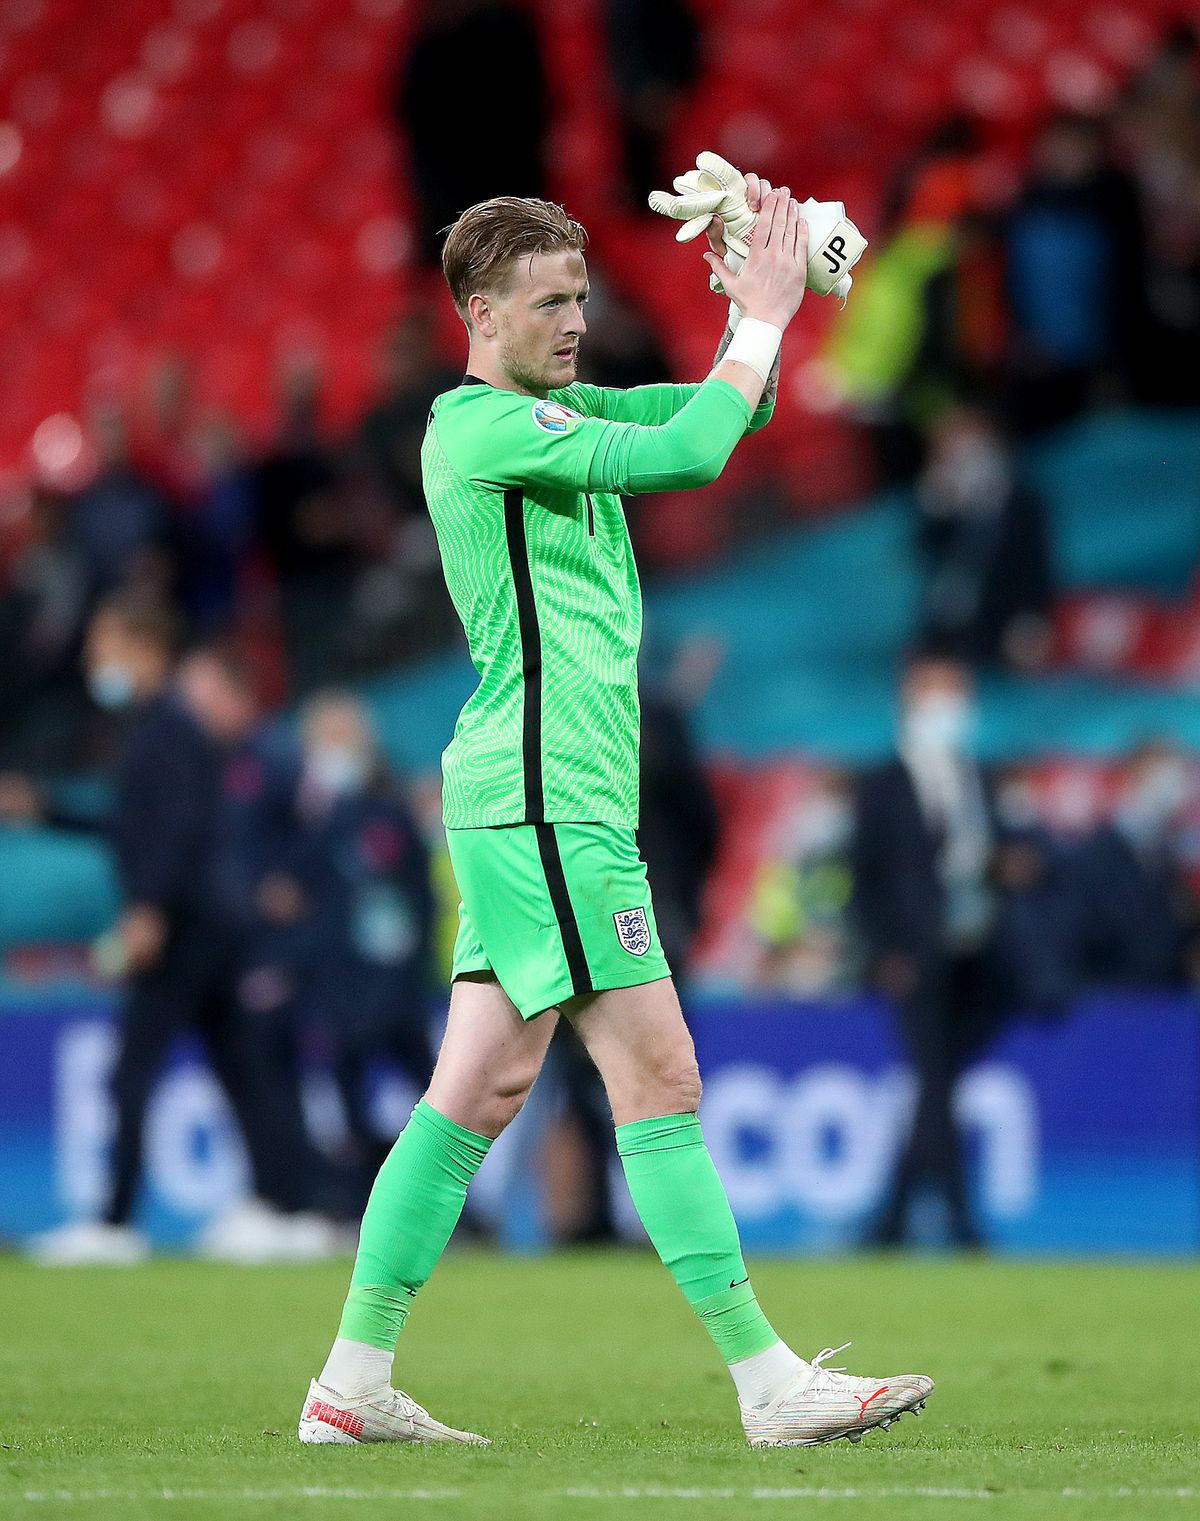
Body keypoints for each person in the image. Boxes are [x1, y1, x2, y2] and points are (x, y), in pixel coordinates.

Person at [299, 186, 933, 1449]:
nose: (578, 322)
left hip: (535, 796)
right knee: (659, 1076)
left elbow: (716, 416)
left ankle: (350, 1383)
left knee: (475, 1092)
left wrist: (776, 283)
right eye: (550, 302)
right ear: (480, 315)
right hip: (547, 798)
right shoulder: (482, 431)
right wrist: (758, 308)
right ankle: (768, 1382)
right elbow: (691, 456)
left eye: (583, 297)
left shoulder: (554, 414)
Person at [26, 601, 324, 1264]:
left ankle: (113, 1222)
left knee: (134, 1070)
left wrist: (147, 909)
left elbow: (175, 832)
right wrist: (47, 810)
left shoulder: (162, 729)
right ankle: (286, 1208)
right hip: (209, 922)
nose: (93, 663)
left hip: (183, 925)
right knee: (241, 1067)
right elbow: (138, 826)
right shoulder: (171, 729)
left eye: (105, 646)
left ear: (144, 648)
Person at [852, 654, 1007, 1248]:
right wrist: (881, 951)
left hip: (978, 955)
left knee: (937, 1086)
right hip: (914, 958)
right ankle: (960, 1223)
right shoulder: (883, 783)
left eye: (958, 695)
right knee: (938, 1082)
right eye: (939, 695)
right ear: (910, 702)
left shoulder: (978, 776)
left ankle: (891, 1221)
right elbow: (864, 876)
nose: (952, 709)